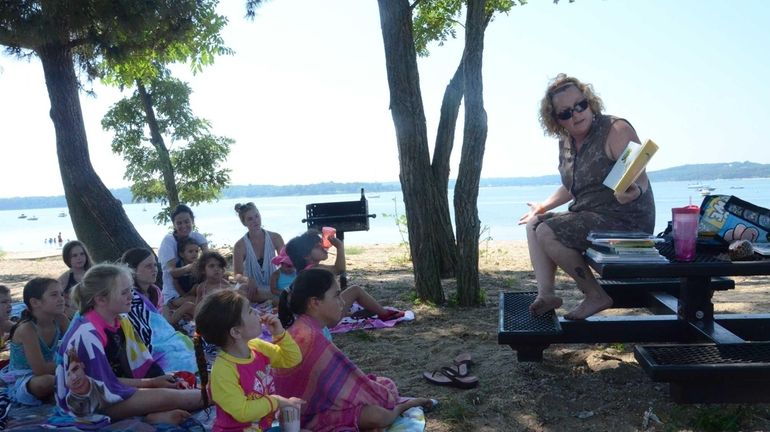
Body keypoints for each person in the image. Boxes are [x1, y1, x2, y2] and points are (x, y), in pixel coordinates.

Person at [518, 74, 655, 320]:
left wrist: (636, 191)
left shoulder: (616, 130)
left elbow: (639, 174)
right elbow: (574, 186)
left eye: (581, 105)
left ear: (590, 102)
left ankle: (595, 295)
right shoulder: (567, 142)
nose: (577, 114)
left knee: (547, 230)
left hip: (626, 220)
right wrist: (543, 206)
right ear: (556, 120)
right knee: (533, 224)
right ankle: (546, 295)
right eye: (566, 113)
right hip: (591, 216)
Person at [275, 269, 434, 430]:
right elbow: (348, 385)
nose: (342, 302)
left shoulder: (305, 328)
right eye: (336, 295)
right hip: (304, 418)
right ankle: (403, 407)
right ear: (315, 302)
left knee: (381, 388)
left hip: (295, 416)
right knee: (378, 412)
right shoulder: (310, 336)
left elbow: (335, 382)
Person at [55, 263, 204, 424]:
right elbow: (101, 388)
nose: (131, 296)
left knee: (176, 384)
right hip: (91, 405)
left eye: (131, 290)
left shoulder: (120, 321)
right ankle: (154, 414)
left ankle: (152, 415)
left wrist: (154, 381)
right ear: (101, 299)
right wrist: (151, 386)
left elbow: (137, 367)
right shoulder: (87, 334)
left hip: (113, 390)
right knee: (191, 397)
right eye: (124, 292)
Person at [193, 289, 304, 432]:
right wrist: (277, 401)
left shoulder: (257, 347)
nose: (257, 313)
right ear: (236, 332)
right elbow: (242, 412)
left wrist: (280, 334)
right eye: (250, 311)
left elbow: (292, 359)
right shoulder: (223, 371)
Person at [286, 230, 404, 321]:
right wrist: (340, 247)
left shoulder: (303, 272)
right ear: (306, 256)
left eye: (321, 244)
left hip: (314, 316)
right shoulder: (316, 270)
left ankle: (363, 311)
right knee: (355, 290)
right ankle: (384, 314)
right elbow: (339, 269)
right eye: (317, 247)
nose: (323, 248)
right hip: (324, 318)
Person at [119, 248, 198, 374]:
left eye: (155, 265)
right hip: (149, 345)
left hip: (166, 337)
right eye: (148, 266)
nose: (155, 269)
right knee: (176, 358)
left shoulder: (155, 291)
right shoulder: (130, 297)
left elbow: (161, 323)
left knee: (187, 345)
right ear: (132, 271)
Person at [6, 278, 69, 405]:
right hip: (25, 378)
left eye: (61, 294)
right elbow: (40, 370)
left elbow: (75, 347)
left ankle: (61, 390)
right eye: (54, 295)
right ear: (35, 302)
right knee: (46, 382)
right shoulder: (27, 329)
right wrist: (68, 365)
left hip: (54, 371)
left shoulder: (61, 319)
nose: (61, 298)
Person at [158, 205, 208, 320]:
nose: (183, 226)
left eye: (187, 221)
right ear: (174, 224)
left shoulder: (196, 237)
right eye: (179, 223)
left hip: (193, 288)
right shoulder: (168, 241)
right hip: (174, 293)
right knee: (197, 304)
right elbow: (173, 273)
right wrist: (190, 267)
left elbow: (209, 260)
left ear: (192, 221)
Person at [232, 202, 285, 303]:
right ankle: (275, 299)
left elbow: (286, 262)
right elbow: (237, 275)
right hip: (253, 289)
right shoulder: (240, 245)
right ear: (244, 223)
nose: (255, 221)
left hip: (273, 285)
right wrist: (247, 279)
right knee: (240, 289)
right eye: (250, 219)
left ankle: (273, 298)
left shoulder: (275, 238)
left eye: (257, 216)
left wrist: (278, 275)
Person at [57, 240, 93, 318]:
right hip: (74, 319)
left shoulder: (94, 274)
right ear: (67, 258)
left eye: (82, 254)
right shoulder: (64, 279)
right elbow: (55, 301)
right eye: (74, 255)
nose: (79, 258)